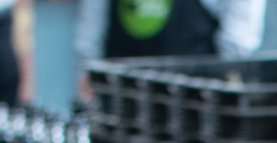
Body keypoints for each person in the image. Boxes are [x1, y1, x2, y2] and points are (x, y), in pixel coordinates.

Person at [75, 0, 266, 85]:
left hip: (196, 95)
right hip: (123, 94)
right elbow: (94, 16)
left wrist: (230, 66)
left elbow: (241, 26)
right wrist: (88, 65)